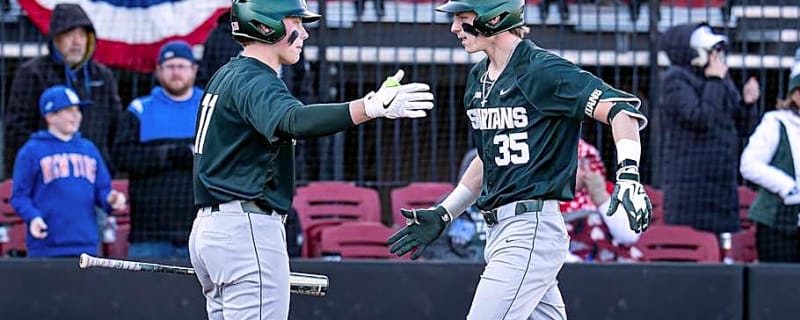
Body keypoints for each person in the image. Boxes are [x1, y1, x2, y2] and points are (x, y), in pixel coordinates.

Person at [387, 1, 652, 319]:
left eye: (462, 19)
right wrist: (445, 212)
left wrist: (629, 174)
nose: (454, 28)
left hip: (530, 229)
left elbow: (620, 109)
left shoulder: (542, 70)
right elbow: (488, 160)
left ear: (495, 18)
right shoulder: (477, 80)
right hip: (502, 231)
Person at [189, 0, 434, 319]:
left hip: (215, 230)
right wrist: (368, 107)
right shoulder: (255, 78)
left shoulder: (228, 73)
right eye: (295, 23)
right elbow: (293, 120)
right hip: (244, 229)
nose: (304, 34)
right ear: (266, 26)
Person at [658, 23, 760, 237]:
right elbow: (700, 118)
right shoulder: (675, 80)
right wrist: (714, 81)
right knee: (692, 246)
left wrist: (748, 103)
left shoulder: (720, 79)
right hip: (691, 188)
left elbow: (741, 126)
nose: (715, 56)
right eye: (709, 51)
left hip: (721, 184)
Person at [4, 3, 122, 178]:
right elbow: (17, 129)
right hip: (46, 178)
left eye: (82, 35)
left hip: (94, 177)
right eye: (69, 34)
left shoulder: (103, 76)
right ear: (55, 39)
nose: (77, 41)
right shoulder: (32, 73)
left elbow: (116, 127)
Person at [9, 85, 126, 258]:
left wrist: (111, 199)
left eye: (78, 110)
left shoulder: (89, 149)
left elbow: (102, 189)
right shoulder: (32, 151)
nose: (76, 116)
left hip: (86, 244)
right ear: (50, 116)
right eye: (68, 110)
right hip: (47, 245)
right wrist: (33, 217)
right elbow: (19, 196)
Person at [112, 41, 202, 259]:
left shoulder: (209, 107)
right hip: (149, 233)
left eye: (181, 66)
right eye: (169, 67)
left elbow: (225, 156)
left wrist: (192, 156)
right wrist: (164, 155)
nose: (176, 72)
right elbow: (122, 156)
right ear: (159, 71)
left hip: (201, 233)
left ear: (193, 69)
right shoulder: (139, 109)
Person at [739, 48, 800, 262]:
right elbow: (749, 164)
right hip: (777, 224)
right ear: (795, 93)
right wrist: (787, 186)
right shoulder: (775, 122)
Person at [561, 139, 642, 263]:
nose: (586, 172)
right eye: (580, 166)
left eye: (588, 164)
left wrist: (602, 199)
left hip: (614, 267)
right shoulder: (544, 198)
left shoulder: (609, 191)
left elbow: (629, 235)